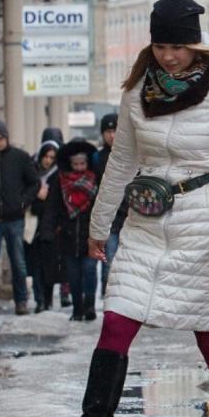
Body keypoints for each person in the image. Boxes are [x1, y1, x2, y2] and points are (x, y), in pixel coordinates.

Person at [36, 0, 209, 417]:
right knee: (116, 322)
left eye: (178, 47)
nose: (168, 56)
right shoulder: (138, 91)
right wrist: (101, 227)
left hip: (207, 227)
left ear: (195, 44)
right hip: (147, 220)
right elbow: (120, 164)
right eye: (161, 45)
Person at [0, 119, 40, 316]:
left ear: (6, 137)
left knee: (18, 261)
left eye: (0, 138)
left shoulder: (20, 157)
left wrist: (22, 203)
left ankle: (21, 301)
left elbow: (35, 183)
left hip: (14, 217)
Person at [40, 140, 101, 322]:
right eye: (75, 164)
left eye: (82, 164)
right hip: (67, 236)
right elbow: (52, 207)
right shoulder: (60, 182)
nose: (79, 168)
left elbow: (102, 207)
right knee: (73, 275)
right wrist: (48, 231)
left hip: (90, 235)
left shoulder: (95, 180)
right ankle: (77, 308)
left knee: (90, 270)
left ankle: (89, 305)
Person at [92, 113, 128, 298]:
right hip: (109, 221)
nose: (112, 135)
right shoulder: (97, 158)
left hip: (130, 219)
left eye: (115, 131)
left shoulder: (131, 155)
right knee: (109, 265)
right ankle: (109, 300)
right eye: (108, 131)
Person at [41, 126, 73, 309]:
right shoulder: (40, 165)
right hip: (50, 219)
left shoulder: (63, 169)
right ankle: (56, 296)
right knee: (51, 263)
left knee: (63, 261)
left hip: (61, 219)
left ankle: (62, 294)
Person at [27, 140, 61, 313]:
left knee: (49, 265)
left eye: (52, 157)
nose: (48, 161)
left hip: (50, 226)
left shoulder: (57, 175)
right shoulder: (32, 172)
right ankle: (39, 300)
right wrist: (36, 193)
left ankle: (47, 300)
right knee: (36, 265)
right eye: (46, 156)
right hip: (33, 225)